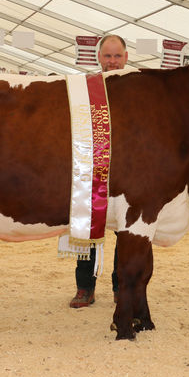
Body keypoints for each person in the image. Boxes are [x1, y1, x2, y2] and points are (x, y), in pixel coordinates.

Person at [69, 34, 127, 309]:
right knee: (86, 223)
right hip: (91, 168)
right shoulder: (86, 89)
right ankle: (84, 287)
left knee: (126, 234)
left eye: (117, 56)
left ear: (126, 57)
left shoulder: (137, 89)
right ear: (98, 58)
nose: (113, 62)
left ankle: (121, 287)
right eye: (108, 56)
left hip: (127, 172)